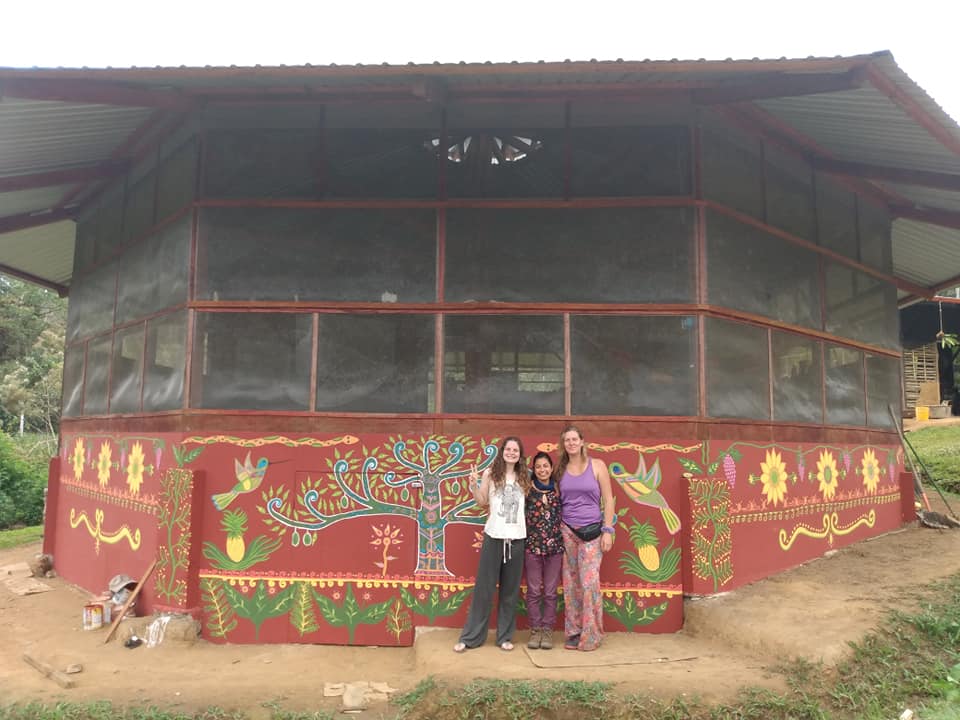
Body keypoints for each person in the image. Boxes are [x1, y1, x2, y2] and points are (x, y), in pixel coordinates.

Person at [454, 437, 531, 653]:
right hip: (494, 536)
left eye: (516, 450)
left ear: (520, 454)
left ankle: (505, 637)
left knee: (510, 591)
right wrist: (473, 483)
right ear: (502, 451)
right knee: (484, 589)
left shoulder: (525, 477)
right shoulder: (490, 474)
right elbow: (481, 501)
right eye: (508, 449)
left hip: (516, 538)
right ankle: (471, 637)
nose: (511, 452)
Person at [556, 425, 615, 652]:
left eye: (574, 439)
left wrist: (608, 530)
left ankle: (592, 634)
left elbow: (608, 500)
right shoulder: (560, 470)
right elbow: (557, 501)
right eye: (566, 440)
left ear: (582, 441)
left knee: (589, 583)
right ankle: (573, 632)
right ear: (564, 445)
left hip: (593, 532)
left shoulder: (598, 466)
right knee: (571, 584)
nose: (570, 443)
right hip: (567, 532)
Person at [524, 450, 564, 650]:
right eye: (538, 466)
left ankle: (548, 630)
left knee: (549, 592)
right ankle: (535, 630)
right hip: (532, 548)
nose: (542, 469)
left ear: (551, 468)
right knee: (533, 591)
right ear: (534, 469)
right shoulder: (527, 491)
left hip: (555, 549)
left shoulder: (558, 490)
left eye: (545, 466)